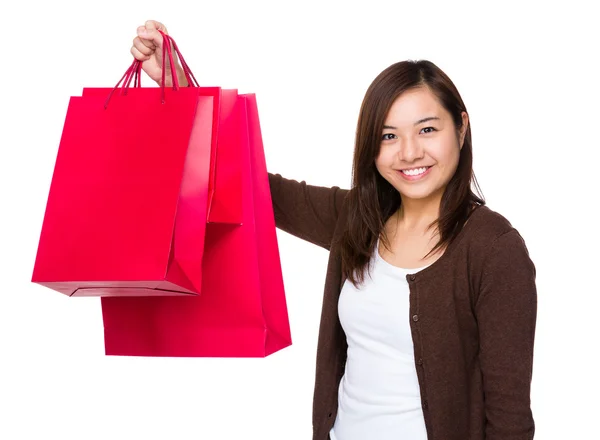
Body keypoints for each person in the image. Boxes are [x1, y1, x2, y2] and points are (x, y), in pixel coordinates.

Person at [131, 20, 537, 440]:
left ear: (462, 127)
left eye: (427, 130)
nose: (409, 152)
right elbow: (254, 187)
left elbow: (510, 421)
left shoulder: (494, 249)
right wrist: (182, 90)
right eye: (388, 136)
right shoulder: (356, 217)